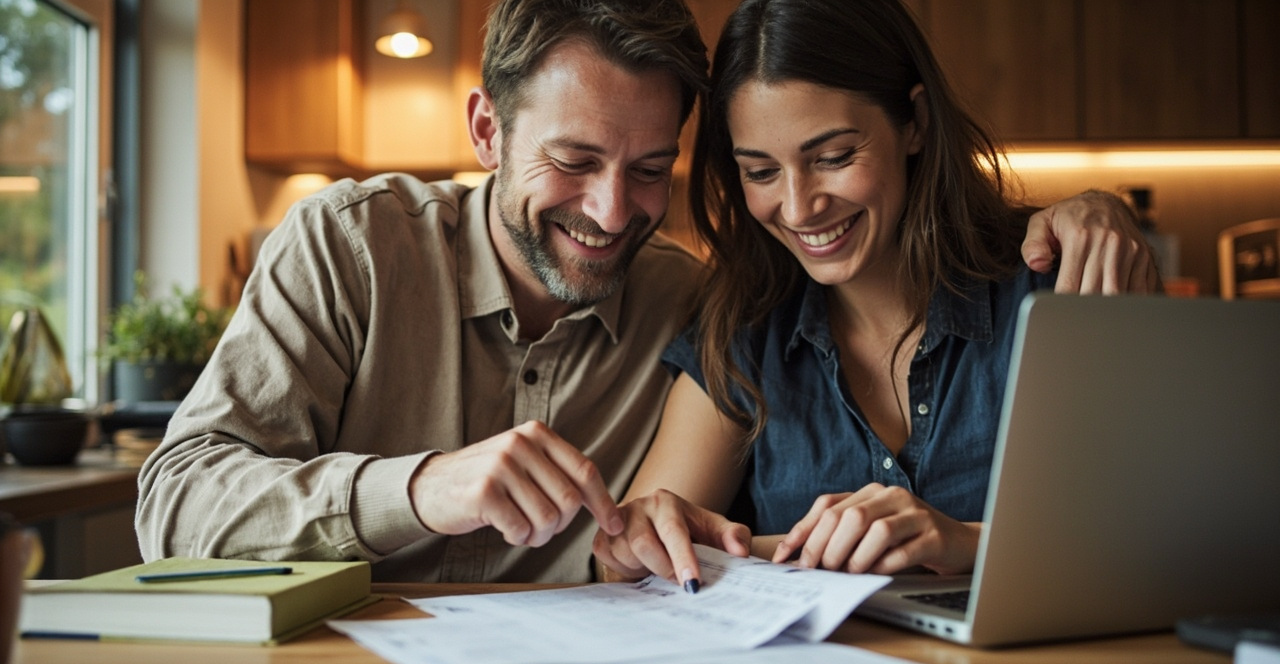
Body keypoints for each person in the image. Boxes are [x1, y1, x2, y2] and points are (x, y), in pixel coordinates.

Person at [137, 0, 1153, 585]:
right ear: (486, 132)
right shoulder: (350, 248)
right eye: (573, 160)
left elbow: (645, 542)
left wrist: (1086, 209)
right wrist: (419, 489)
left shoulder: (691, 301)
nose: (611, 210)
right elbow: (174, 507)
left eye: (649, 169)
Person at [592, 0, 1154, 592]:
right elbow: (623, 566)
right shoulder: (746, 332)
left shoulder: (1056, 283)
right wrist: (644, 537)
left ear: (914, 122)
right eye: (761, 172)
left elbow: (1172, 538)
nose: (799, 207)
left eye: (833, 158)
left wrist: (967, 542)